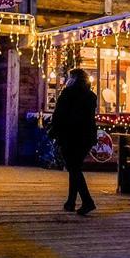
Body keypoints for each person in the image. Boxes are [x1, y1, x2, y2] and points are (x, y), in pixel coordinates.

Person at [48, 68, 98, 215]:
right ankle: (70, 201)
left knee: (74, 168)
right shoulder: (91, 96)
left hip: (70, 135)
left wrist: (54, 131)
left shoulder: (67, 94)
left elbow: (59, 115)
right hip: (86, 136)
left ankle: (87, 201)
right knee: (74, 168)